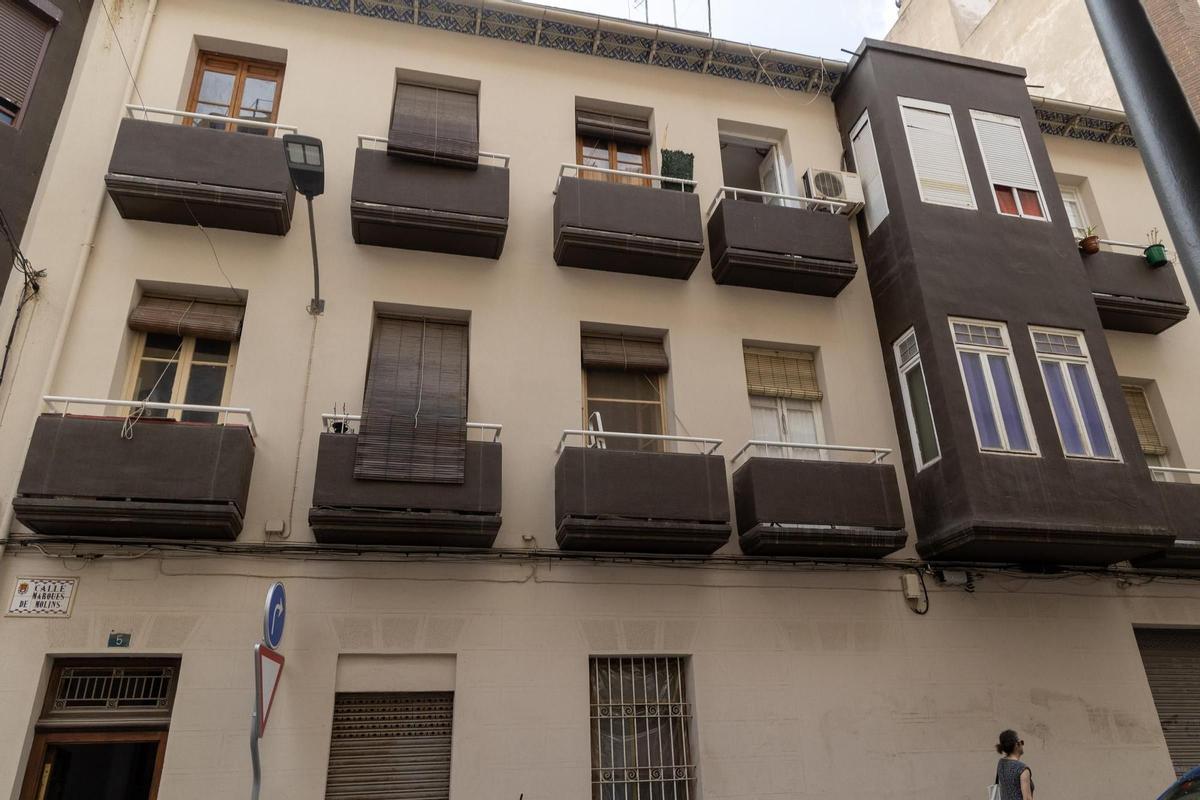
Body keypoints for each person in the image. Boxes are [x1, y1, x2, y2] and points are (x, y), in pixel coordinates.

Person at [995, 729, 1035, 800]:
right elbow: (1027, 798)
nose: (1022, 745)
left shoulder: (1001, 763)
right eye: (1021, 742)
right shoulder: (1022, 769)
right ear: (1017, 745)